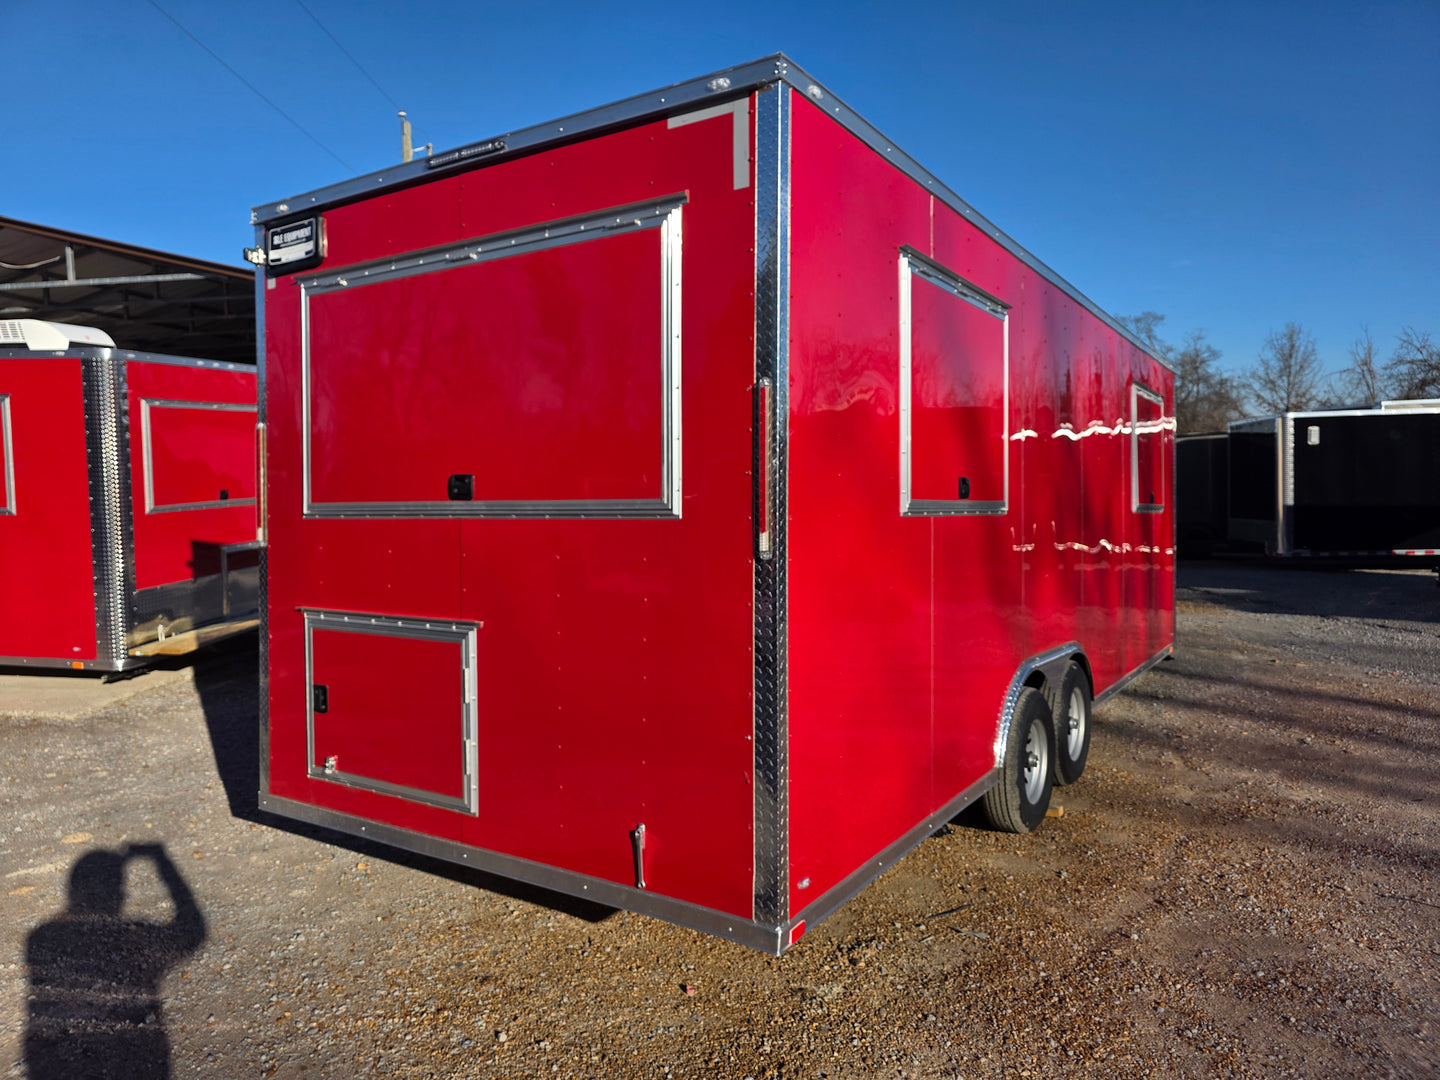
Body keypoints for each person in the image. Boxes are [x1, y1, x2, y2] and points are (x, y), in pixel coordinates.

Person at [25, 843, 206, 1079]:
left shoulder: (42, 935)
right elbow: (193, 933)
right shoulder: (139, 938)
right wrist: (161, 860)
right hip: (143, 1062)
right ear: (119, 892)